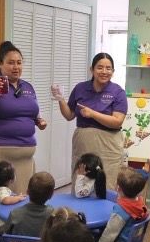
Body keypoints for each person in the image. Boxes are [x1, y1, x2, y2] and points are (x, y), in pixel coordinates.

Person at [0, 41, 47, 195]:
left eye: (19, 63)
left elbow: (32, 113)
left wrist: (39, 121)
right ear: (0, 64)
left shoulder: (27, 87)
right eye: (11, 63)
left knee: (24, 198)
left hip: (26, 155)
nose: (16, 67)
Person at [52, 52, 127, 190]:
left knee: (107, 183)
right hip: (83, 143)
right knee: (81, 181)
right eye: (100, 67)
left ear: (113, 71)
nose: (104, 71)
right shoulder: (80, 88)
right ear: (91, 69)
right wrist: (60, 99)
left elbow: (117, 121)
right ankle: (79, 211)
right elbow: (69, 115)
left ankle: (105, 210)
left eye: (108, 68)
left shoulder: (118, 92)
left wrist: (92, 114)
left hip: (109, 144)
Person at [95, 167, 148, 242]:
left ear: (118, 188)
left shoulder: (121, 210)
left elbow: (109, 235)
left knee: (92, 239)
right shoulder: (139, 202)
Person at [1, 171, 55, 238]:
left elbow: (6, 234)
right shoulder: (51, 214)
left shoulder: (15, 214)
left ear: (27, 192)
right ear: (51, 195)